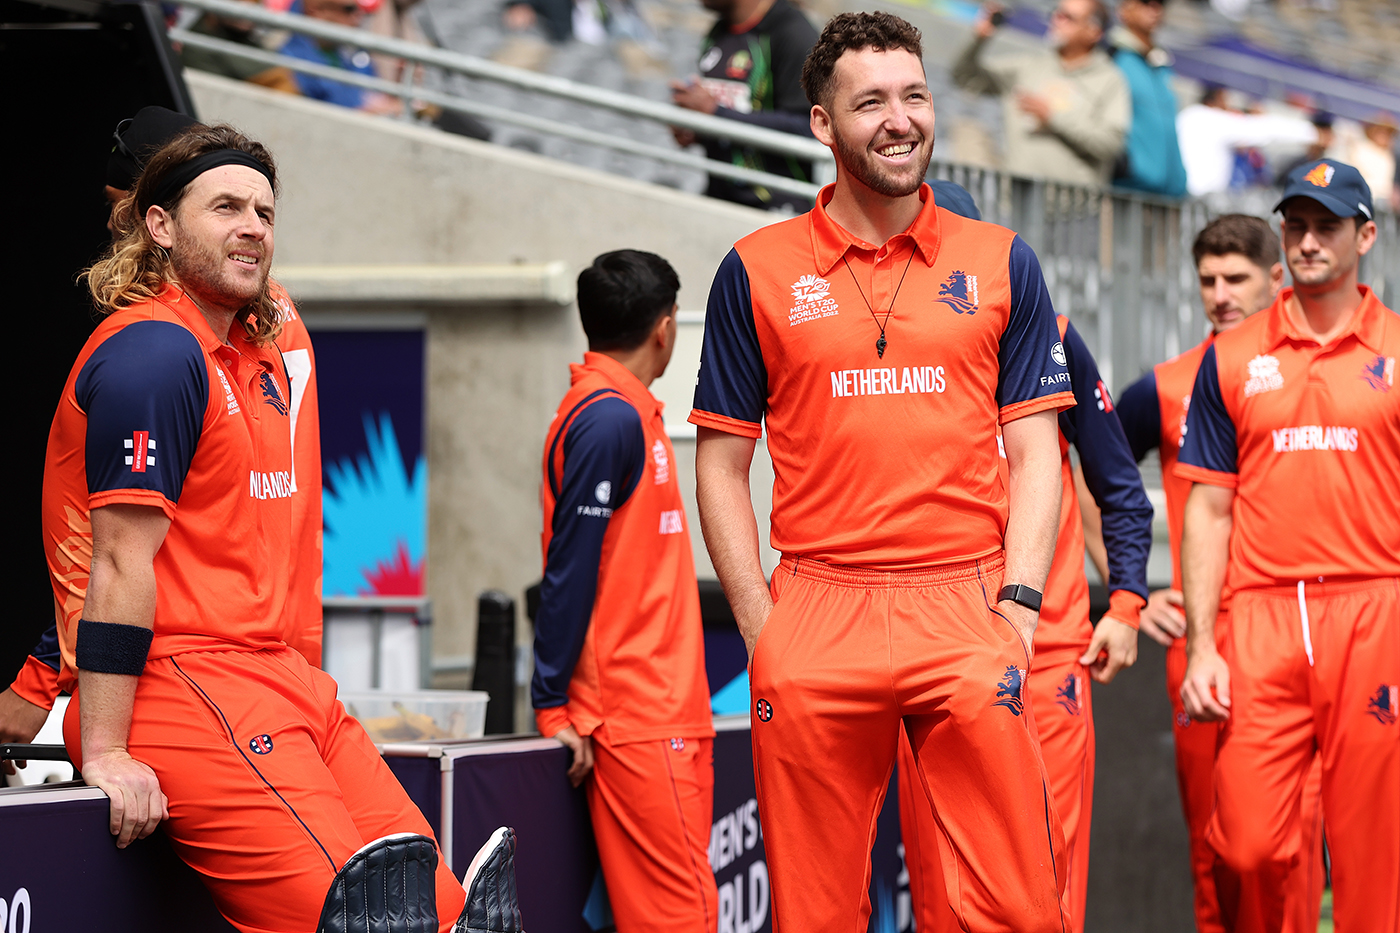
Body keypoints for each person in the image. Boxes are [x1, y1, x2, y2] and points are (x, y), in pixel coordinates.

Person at [47, 122, 519, 933]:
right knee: (364, 922)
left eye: (265, 212)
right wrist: (107, 747)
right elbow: (121, 564)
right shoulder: (154, 353)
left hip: (287, 681)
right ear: (158, 225)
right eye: (225, 205)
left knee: (447, 914)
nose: (252, 227)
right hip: (190, 679)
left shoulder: (257, 351)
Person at [690, 12, 1076, 930]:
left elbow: (1035, 451)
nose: (900, 120)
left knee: (1020, 906)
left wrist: (1020, 604)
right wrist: (761, 625)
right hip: (818, 607)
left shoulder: (1001, 260)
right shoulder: (755, 269)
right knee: (815, 914)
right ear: (822, 124)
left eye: (914, 95)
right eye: (871, 103)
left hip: (967, 602)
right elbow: (720, 462)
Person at [2, 106, 322, 778]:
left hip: (178, 670)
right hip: (272, 652)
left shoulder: (181, 340)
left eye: (124, 207)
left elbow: (136, 546)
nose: (117, 228)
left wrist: (40, 678)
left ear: (157, 217)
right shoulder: (265, 316)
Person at [896, 188, 1152, 933]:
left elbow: (1120, 489)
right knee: (941, 883)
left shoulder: (1054, 337)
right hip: (928, 655)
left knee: (1047, 877)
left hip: (1044, 652)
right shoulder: (885, 346)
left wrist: (1128, 601)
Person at [1178, 159, 1399, 933]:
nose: (1308, 241)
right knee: (1247, 846)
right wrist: (1204, 646)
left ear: (1365, 236)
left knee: (1376, 860)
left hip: (1374, 609)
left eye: (1327, 226)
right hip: (1264, 618)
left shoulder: (1399, 350)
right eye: (1296, 225)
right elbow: (1208, 508)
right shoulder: (1232, 356)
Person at [1114, 214, 1324, 933]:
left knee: (1301, 843)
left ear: (1277, 277)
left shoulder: (1325, 377)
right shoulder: (1170, 385)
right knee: (1217, 845)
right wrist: (1130, 589)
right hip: (1209, 633)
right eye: (1207, 279)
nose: (1220, 294)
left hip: (1311, 631)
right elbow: (1086, 461)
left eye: (1236, 278)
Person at [531, 250, 717, 933]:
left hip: (668, 708)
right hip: (639, 718)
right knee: (685, 918)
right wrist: (552, 700)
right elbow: (569, 566)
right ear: (664, 329)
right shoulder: (606, 420)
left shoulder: (627, 414)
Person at [953, 0, 1129, 187]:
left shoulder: (1110, 79)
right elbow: (965, 77)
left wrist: (1053, 119)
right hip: (1018, 202)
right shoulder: (1028, 67)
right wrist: (979, 39)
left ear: (1093, 32)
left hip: (1075, 210)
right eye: (1056, 13)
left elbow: (1110, 145)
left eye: (1067, 17)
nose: (1056, 20)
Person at [669, 0, 818, 211]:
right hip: (720, 200)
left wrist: (716, 113)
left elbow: (810, 127)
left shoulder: (794, 34)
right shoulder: (719, 31)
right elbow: (734, 113)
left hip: (776, 212)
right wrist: (695, 128)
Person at [1176, 86, 1316, 197]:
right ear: (1218, 97)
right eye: (1226, 100)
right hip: (1201, 198)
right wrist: (1313, 133)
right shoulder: (1212, 119)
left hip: (1180, 193)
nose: (1228, 107)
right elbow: (1261, 129)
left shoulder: (1186, 116)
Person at [1108, 0, 1186, 197]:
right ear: (1123, 9)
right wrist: (1127, 169)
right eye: (1145, 2)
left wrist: (1179, 181)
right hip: (1127, 191)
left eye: (1160, 4)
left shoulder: (1162, 65)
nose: (1155, 9)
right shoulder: (1111, 60)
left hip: (1168, 193)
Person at [280, 0, 402, 114]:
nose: (358, 17)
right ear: (316, 11)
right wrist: (371, 113)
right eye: (349, 9)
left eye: (360, 9)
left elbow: (373, 94)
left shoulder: (351, 52)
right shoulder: (285, 58)